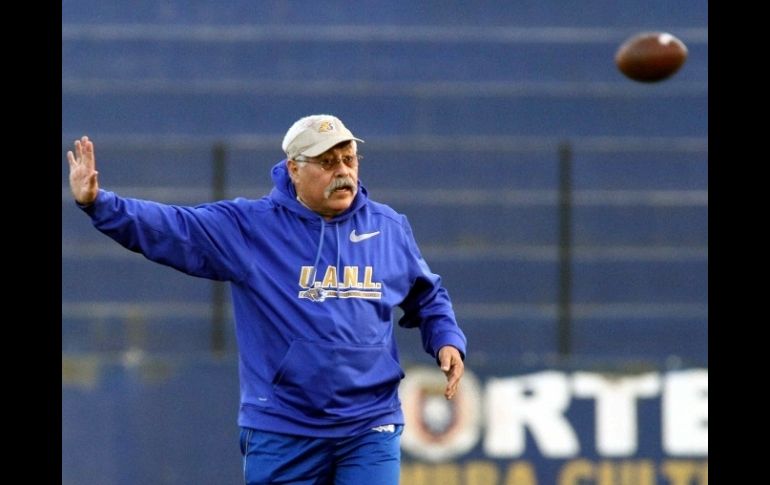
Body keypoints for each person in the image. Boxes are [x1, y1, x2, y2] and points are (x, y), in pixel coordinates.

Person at [67, 114, 467, 484]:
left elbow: (427, 295)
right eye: (327, 162)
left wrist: (446, 339)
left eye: (348, 159)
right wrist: (99, 204)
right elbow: (174, 228)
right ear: (294, 169)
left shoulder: (389, 228)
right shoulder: (250, 228)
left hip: (369, 424)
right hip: (283, 426)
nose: (343, 171)